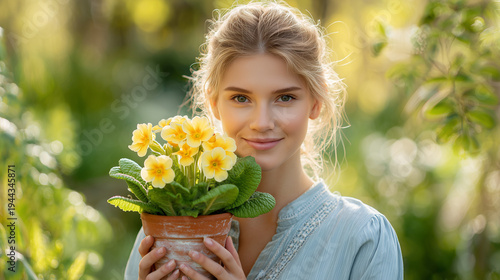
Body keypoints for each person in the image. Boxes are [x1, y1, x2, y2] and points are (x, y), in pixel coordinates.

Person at [125, 1, 404, 279]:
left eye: (285, 98)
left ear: (316, 102)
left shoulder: (363, 239)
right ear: (214, 104)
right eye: (241, 98)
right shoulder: (168, 227)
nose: (261, 122)